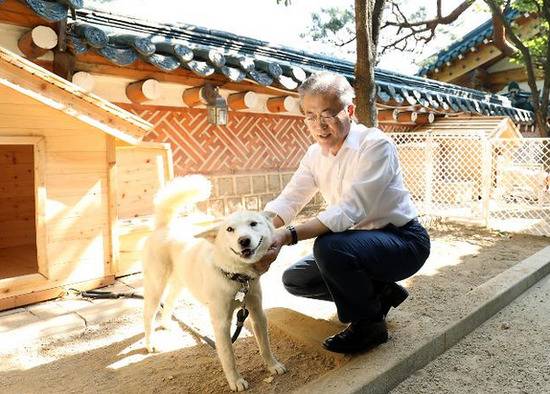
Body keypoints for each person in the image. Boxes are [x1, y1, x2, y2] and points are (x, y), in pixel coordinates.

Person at [257, 71, 431, 354]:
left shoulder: (375, 145)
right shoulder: (315, 154)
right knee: (296, 279)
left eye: (327, 114)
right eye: (310, 116)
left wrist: (287, 235)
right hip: (357, 243)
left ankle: (369, 326)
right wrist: (259, 231)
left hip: (402, 241)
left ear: (349, 110)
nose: (319, 125)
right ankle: (381, 294)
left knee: (329, 247)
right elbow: (290, 199)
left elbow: (349, 210)